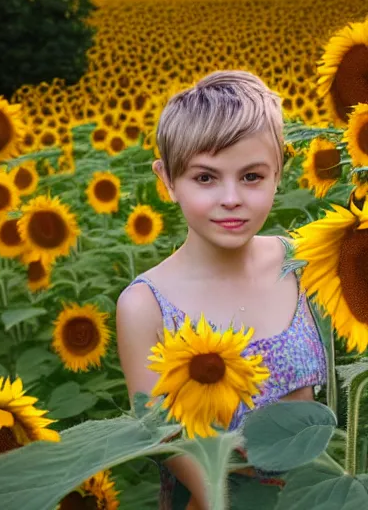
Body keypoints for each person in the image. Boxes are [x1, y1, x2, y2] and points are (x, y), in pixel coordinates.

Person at [115, 70, 328, 510]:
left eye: (251, 176)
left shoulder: (302, 263)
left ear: (278, 174)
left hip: (317, 492)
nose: (231, 198)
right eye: (206, 178)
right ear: (168, 179)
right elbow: (166, 438)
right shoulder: (145, 305)